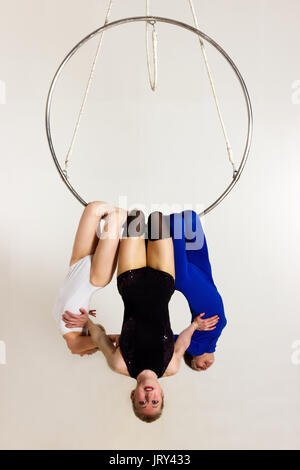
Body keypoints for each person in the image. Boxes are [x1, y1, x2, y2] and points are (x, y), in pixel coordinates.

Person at [63, 210, 218, 422]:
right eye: (154, 401)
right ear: (162, 395)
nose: (148, 396)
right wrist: (195, 326)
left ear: (133, 395)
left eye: (142, 401)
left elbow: (99, 339)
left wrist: (87, 322)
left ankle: (104, 212)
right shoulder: (171, 367)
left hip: (130, 280)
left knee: (135, 216)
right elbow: (181, 344)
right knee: (157, 219)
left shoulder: (119, 364)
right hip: (163, 281)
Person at [53, 201, 127, 356]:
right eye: (85, 352)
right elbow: (99, 339)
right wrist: (115, 339)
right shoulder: (75, 334)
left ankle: (126, 218)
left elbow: (67, 298)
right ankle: (131, 221)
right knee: (117, 217)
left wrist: (85, 313)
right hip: (95, 278)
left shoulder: (72, 344)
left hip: (76, 265)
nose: (81, 353)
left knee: (93, 208)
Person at [170, 210, 227, 372]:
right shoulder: (211, 342)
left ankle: (173, 223)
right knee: (191, 218)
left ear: (191, 358)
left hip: (187, 282)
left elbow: (165, 338)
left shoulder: (194, 347)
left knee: (176, 224)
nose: (204, 368)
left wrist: (194, 326)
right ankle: (190, 220)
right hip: (206, 279)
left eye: (197, 368)